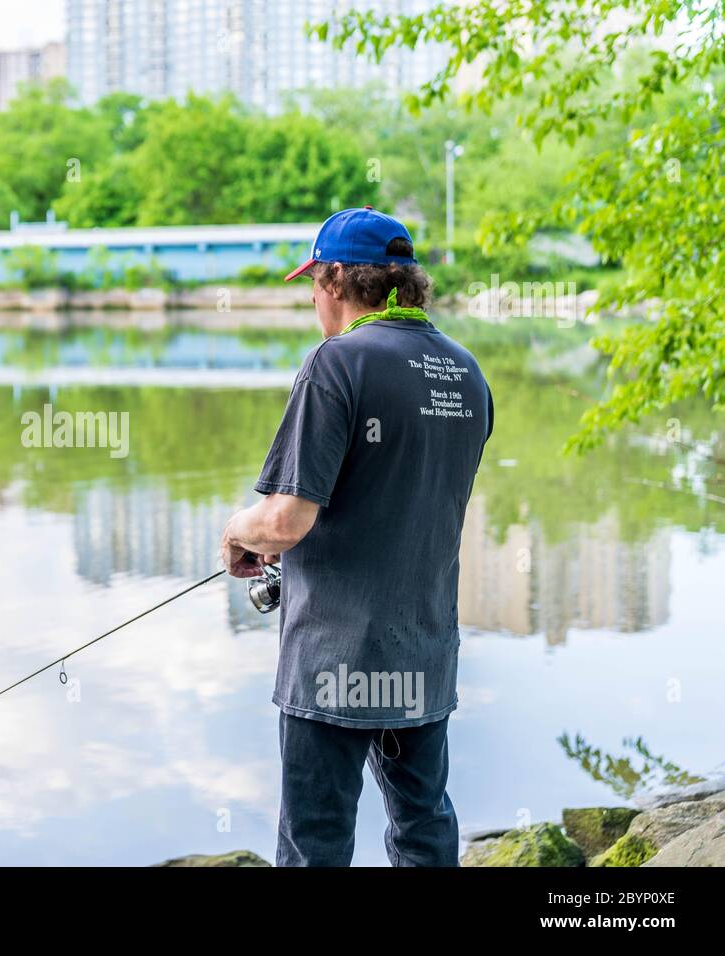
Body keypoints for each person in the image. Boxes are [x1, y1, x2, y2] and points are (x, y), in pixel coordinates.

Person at [219, 206, 493, 866]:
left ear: (337, 279)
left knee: (316, 839)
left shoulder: (335, 365)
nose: (312, 295)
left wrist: (238, 530)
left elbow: (285, 522)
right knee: (423, 825)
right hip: (423, 652)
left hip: (331, 661)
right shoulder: (465, 370)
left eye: (312, 281)